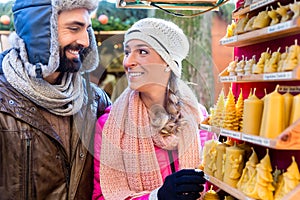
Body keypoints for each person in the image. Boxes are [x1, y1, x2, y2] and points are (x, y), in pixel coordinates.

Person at [0, 0, 111, 199]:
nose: (85, 41)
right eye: (74, 28)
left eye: (87, 29)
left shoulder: (96, 100)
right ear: (40, 32)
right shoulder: (3, 102)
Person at [93, 18, 207, 200]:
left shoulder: (199, 118)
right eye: (127, 52)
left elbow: (215, 181)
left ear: (168, 63)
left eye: (142, 52)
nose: (128, 62)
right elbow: (102, 196)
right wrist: (157, 197)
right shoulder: (109, 126)